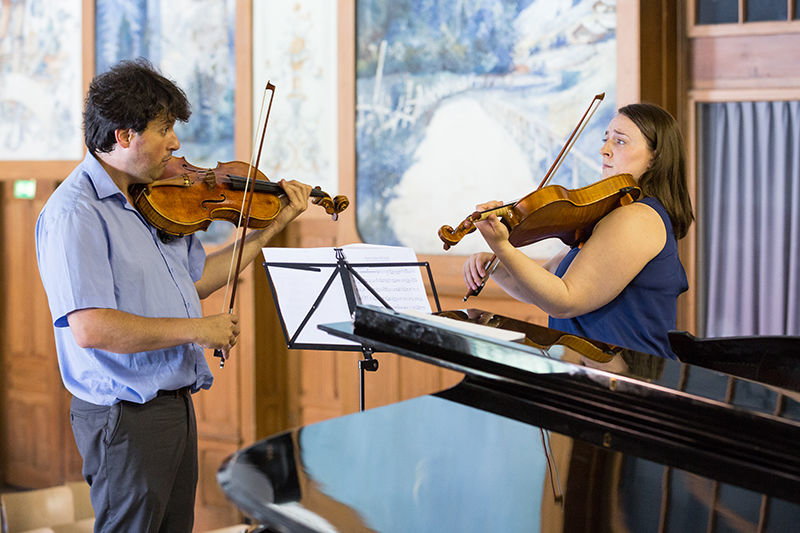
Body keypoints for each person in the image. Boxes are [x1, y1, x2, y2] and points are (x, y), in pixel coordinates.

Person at [35, 58, 312, 532]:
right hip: (123, 417)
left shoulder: (157, 198)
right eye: (165, 129)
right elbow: (91, 327)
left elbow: (198, 280)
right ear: (124, 136)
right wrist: (199, 330)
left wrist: (272, 228)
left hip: (173, 405)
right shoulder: (75, 214)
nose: (176, 144)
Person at [463, 103, 694, 359]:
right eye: (606, 139)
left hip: (629, 384)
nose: (604, 150)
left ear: (656, 157)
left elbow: (564, 300)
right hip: (594, 375)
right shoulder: (611, 214)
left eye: (620, 141)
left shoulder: (638, 218)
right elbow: (545, 281)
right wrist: (495, 265)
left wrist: (502, 246)